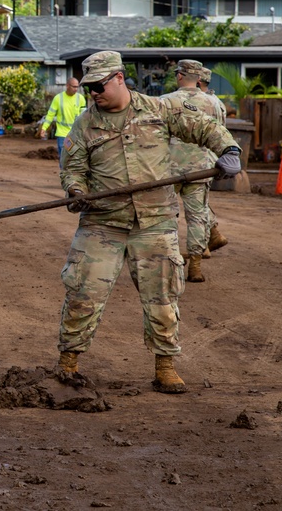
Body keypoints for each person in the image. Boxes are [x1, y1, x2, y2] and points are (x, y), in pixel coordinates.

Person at [56, 50, 241, 394]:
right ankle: (68, 363)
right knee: (83, 293)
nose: (93, 94)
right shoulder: (85, 124)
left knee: (163, 300)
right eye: (88, 88)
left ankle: (165, 367)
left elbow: (202, 127)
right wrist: (76, 189)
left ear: (118, 78)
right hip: (102, 223)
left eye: (98, 86)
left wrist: (228, 150)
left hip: (154, 224)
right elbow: (72, 168)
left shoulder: (159, 110)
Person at [160, 60, 226, 282]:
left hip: (170, 168)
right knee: (197, 216)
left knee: (167, 215)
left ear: (179, 76)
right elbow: (220, 133)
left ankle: (169, 261)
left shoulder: (165, 101)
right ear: (198, 79)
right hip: (201, 168)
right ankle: (195, 267)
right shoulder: (213, 103)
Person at [197, 66, 229, 255]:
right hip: (210, 158)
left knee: (197, 204)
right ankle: (212, 235)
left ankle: (204, 244)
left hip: (195, 158)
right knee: (200, 201)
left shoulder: (197, 102)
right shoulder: (217, 102)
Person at [40, 77, 86, 163]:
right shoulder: (58, 98)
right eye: (74, 87)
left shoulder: (81, 99)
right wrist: (44, 128)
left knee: (76, 158)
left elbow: (84, 117)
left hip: (76, 134)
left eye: (77, 87)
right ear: (67, 86)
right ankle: (64, 175)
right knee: (64, 158)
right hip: (62, 134)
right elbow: (50, 115)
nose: (76, 89)